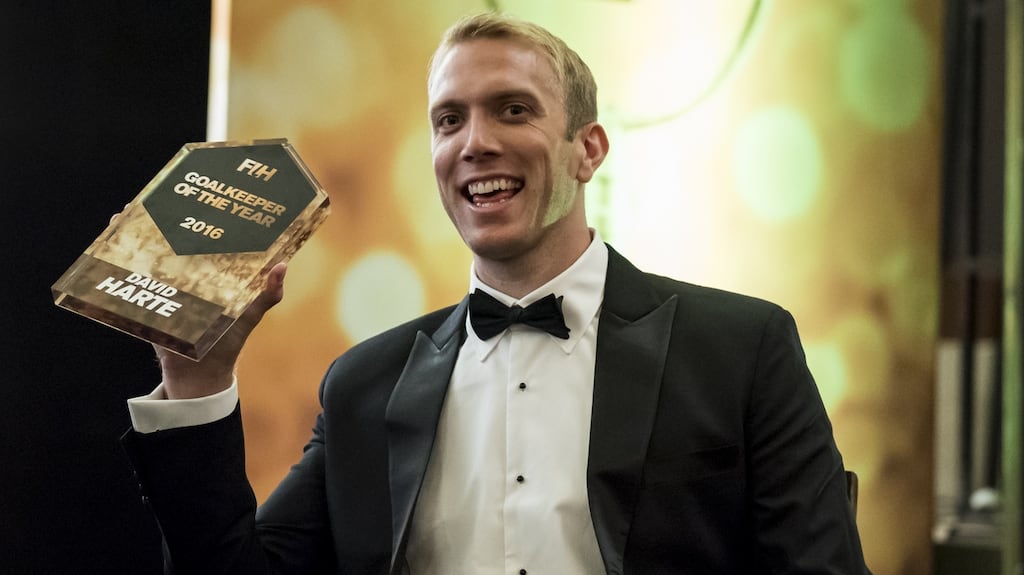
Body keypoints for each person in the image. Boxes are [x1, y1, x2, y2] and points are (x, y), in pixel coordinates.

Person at [123, 12, 871, 575]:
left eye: (513, 109)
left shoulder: (742, 350)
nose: (474, 142)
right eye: (449, 120)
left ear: (588, 149)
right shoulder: (364, 386)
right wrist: (198, 380)